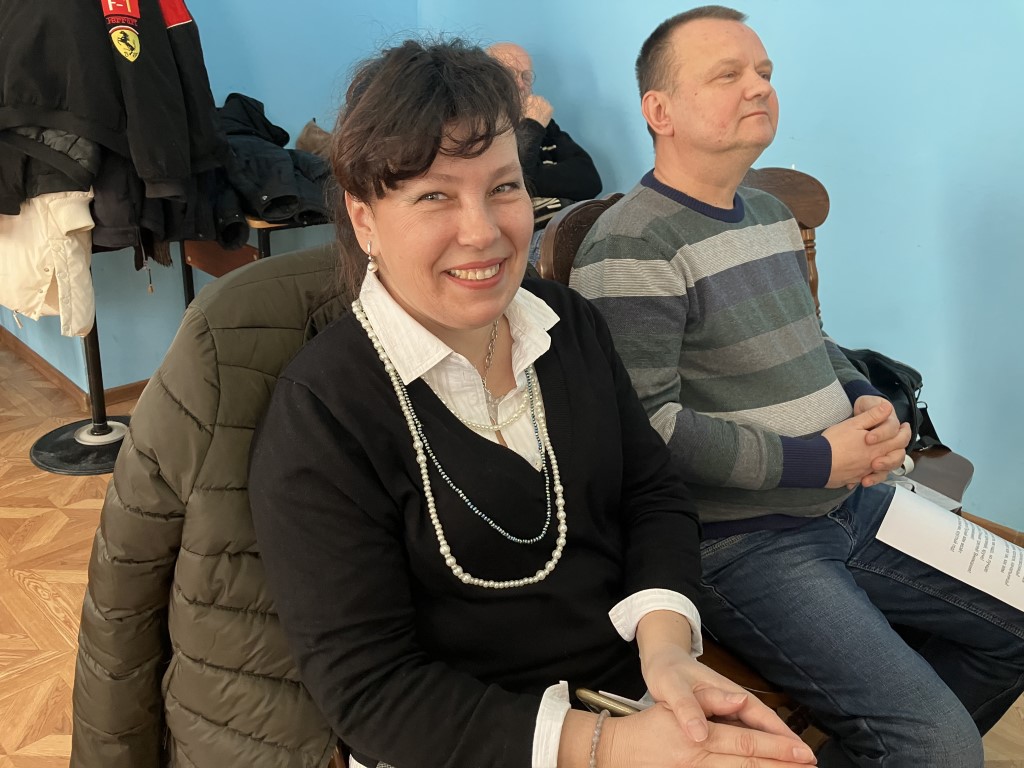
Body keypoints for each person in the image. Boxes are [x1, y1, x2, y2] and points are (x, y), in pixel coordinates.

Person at [248, 38, 819, 768]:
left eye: (503, 188)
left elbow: (651, 493)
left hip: (629, 701)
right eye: (434, 196)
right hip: (467, 746)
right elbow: (371, 692)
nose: (483, 231)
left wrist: (667, 649)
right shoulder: (322, 413)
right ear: (364, 220)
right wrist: (608, 746)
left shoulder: (567, 324)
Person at [570, 6, 1024, 768]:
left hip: (850, 501)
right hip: (744, 542)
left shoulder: (770, 214)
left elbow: (812, 341)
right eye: (728, 75)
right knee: (943, 747)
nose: (759, 87)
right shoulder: (632, 244)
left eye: (764, 73)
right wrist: (817, 459)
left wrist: (863, 398)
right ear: (660, 111)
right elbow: (647, 429)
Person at [487, 42, 602, 263]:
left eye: (526, 76)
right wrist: (532, 126)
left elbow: (590, 180)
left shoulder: (545, 124)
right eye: (509, 74)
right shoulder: (484, 128)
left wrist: (535, 175)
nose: (520, 84)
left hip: (575, 224)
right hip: (534, 236)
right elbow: (508, 182)